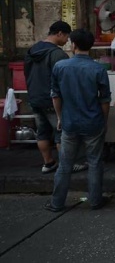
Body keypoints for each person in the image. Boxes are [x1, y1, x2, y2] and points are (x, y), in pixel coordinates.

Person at [44, 29, 111, 212]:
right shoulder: (98, 68)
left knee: (65, 164)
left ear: (73, 45)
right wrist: (104, 121)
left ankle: (57, 202)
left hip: (70, 121)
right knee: (95, 162)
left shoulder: (61, 67)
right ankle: (95, 200)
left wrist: (59, 117)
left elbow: (55, 96)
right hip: (93, 121)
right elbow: (105, 100)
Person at [24, 21, 86, 174]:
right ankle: (67, 165)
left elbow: (27, 74)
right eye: (66, 37)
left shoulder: (32, 50)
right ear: (59, 33)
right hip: (52, 99)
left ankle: (48, 163)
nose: (67, 41)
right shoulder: (57, 54)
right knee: (61, 132)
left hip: (35, 98)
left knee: (42, 132)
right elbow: (64, 79)